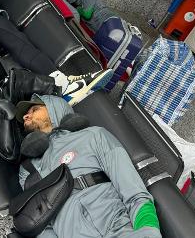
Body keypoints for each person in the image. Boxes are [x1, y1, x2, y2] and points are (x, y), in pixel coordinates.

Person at [15, 95, 162, 238]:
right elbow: (38, 224)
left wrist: (148, 231)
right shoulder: (28, 170)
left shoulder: (93, 135)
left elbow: (132, 189)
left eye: (34, 109)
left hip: (116, 226)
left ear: (55, 108)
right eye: (25, 115)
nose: (25, 117)